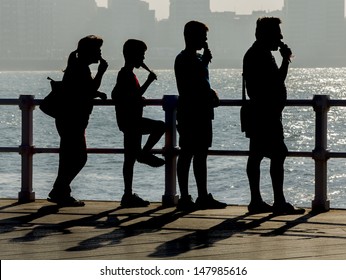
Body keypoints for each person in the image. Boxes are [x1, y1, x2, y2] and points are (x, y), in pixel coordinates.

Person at [243, 17, 304, 215]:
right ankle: (278, 201)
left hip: (260, 113)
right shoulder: (260, 55)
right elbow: (276, 81)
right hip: (266, 114)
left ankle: (257, 200)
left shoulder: (255, 53)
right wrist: (286, 60)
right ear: (266, 34)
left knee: (257, 155)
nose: (280, 37)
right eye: (277, 33)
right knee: (278, 154)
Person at [47, 35, 108, 207]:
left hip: (68, 118)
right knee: (79, 158)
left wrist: (96, 93)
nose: (100, 52)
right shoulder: (81, 68)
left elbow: (79, 90)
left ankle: (61, 192)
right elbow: (87, 90)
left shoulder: (76, 67)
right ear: (90, 51)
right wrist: (102, 72)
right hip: (73, 119)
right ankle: (59, 189)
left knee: (68, 157)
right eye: (98, 49)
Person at [174, 21, 227, 211]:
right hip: (193, 112)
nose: (205, 40)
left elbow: (199, 83)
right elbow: (192, 84)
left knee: (196, 154)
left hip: (197, 112)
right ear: (191, 37)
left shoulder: (191, 58)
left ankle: (197, 195)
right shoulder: (186, 59)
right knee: (190, 153)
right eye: (203, 36)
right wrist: (204, 63)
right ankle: (192, 196)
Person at [112, 39, 165, 208]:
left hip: (128, 121)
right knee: (160, 126)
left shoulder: (126, 73)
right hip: (132, 121)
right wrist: (148, 81)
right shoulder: (126, 74)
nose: (143, 58)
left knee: (129, 159)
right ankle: (144, 154)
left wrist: (136, 97)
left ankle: (127, 194)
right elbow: (130, 95)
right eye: (141, 54)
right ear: (132, 55)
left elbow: (122, 94)